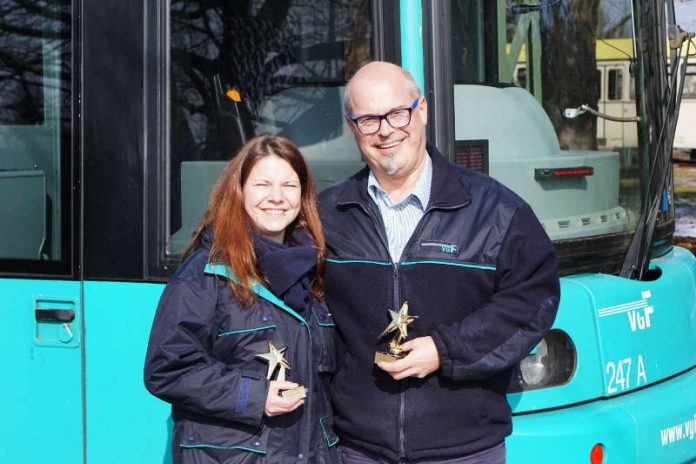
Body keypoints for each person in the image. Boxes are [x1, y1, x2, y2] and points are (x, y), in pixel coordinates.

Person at [319, 61, 560, 463]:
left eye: (397, 113)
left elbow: (532, 301)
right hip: (357, 451)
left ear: (422, 110)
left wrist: (445, 350)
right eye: (368, 119)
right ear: (352, 127)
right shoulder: (326, 216)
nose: (385, 130)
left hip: (465, 451)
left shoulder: (496, 211)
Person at [144, 135, 341, 464]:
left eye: (289, 186)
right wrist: (254, 396)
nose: (276, 197)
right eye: (262, 184)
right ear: (240, 191)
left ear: (303, 195)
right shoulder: (206, 273)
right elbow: (167, 369)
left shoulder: (315, 271)